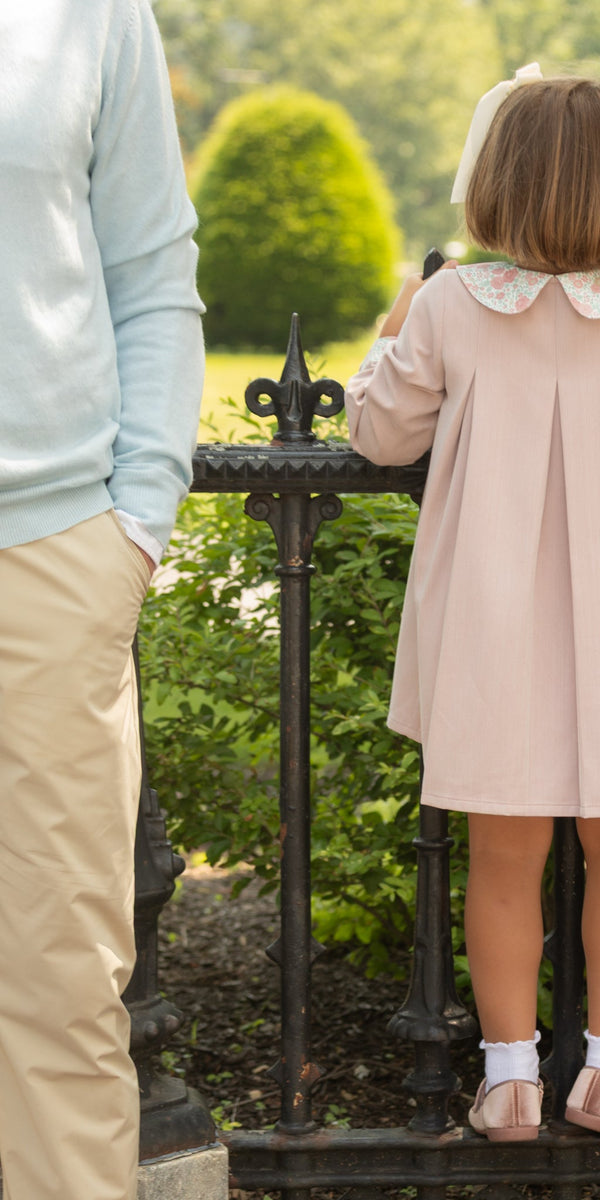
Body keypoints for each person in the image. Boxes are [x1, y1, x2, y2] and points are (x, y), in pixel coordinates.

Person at [346, 72, 600, 1141]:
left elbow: (380, 433)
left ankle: (511, 1077)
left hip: (493, 628)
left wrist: (391, 329)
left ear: (498, 184)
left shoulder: (449, 306)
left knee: (502, 852)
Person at [0, 2, 205, 1197]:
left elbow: (150, 268)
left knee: (60, 982)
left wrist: (133, 526)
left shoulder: (89, 13)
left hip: (51, 550)